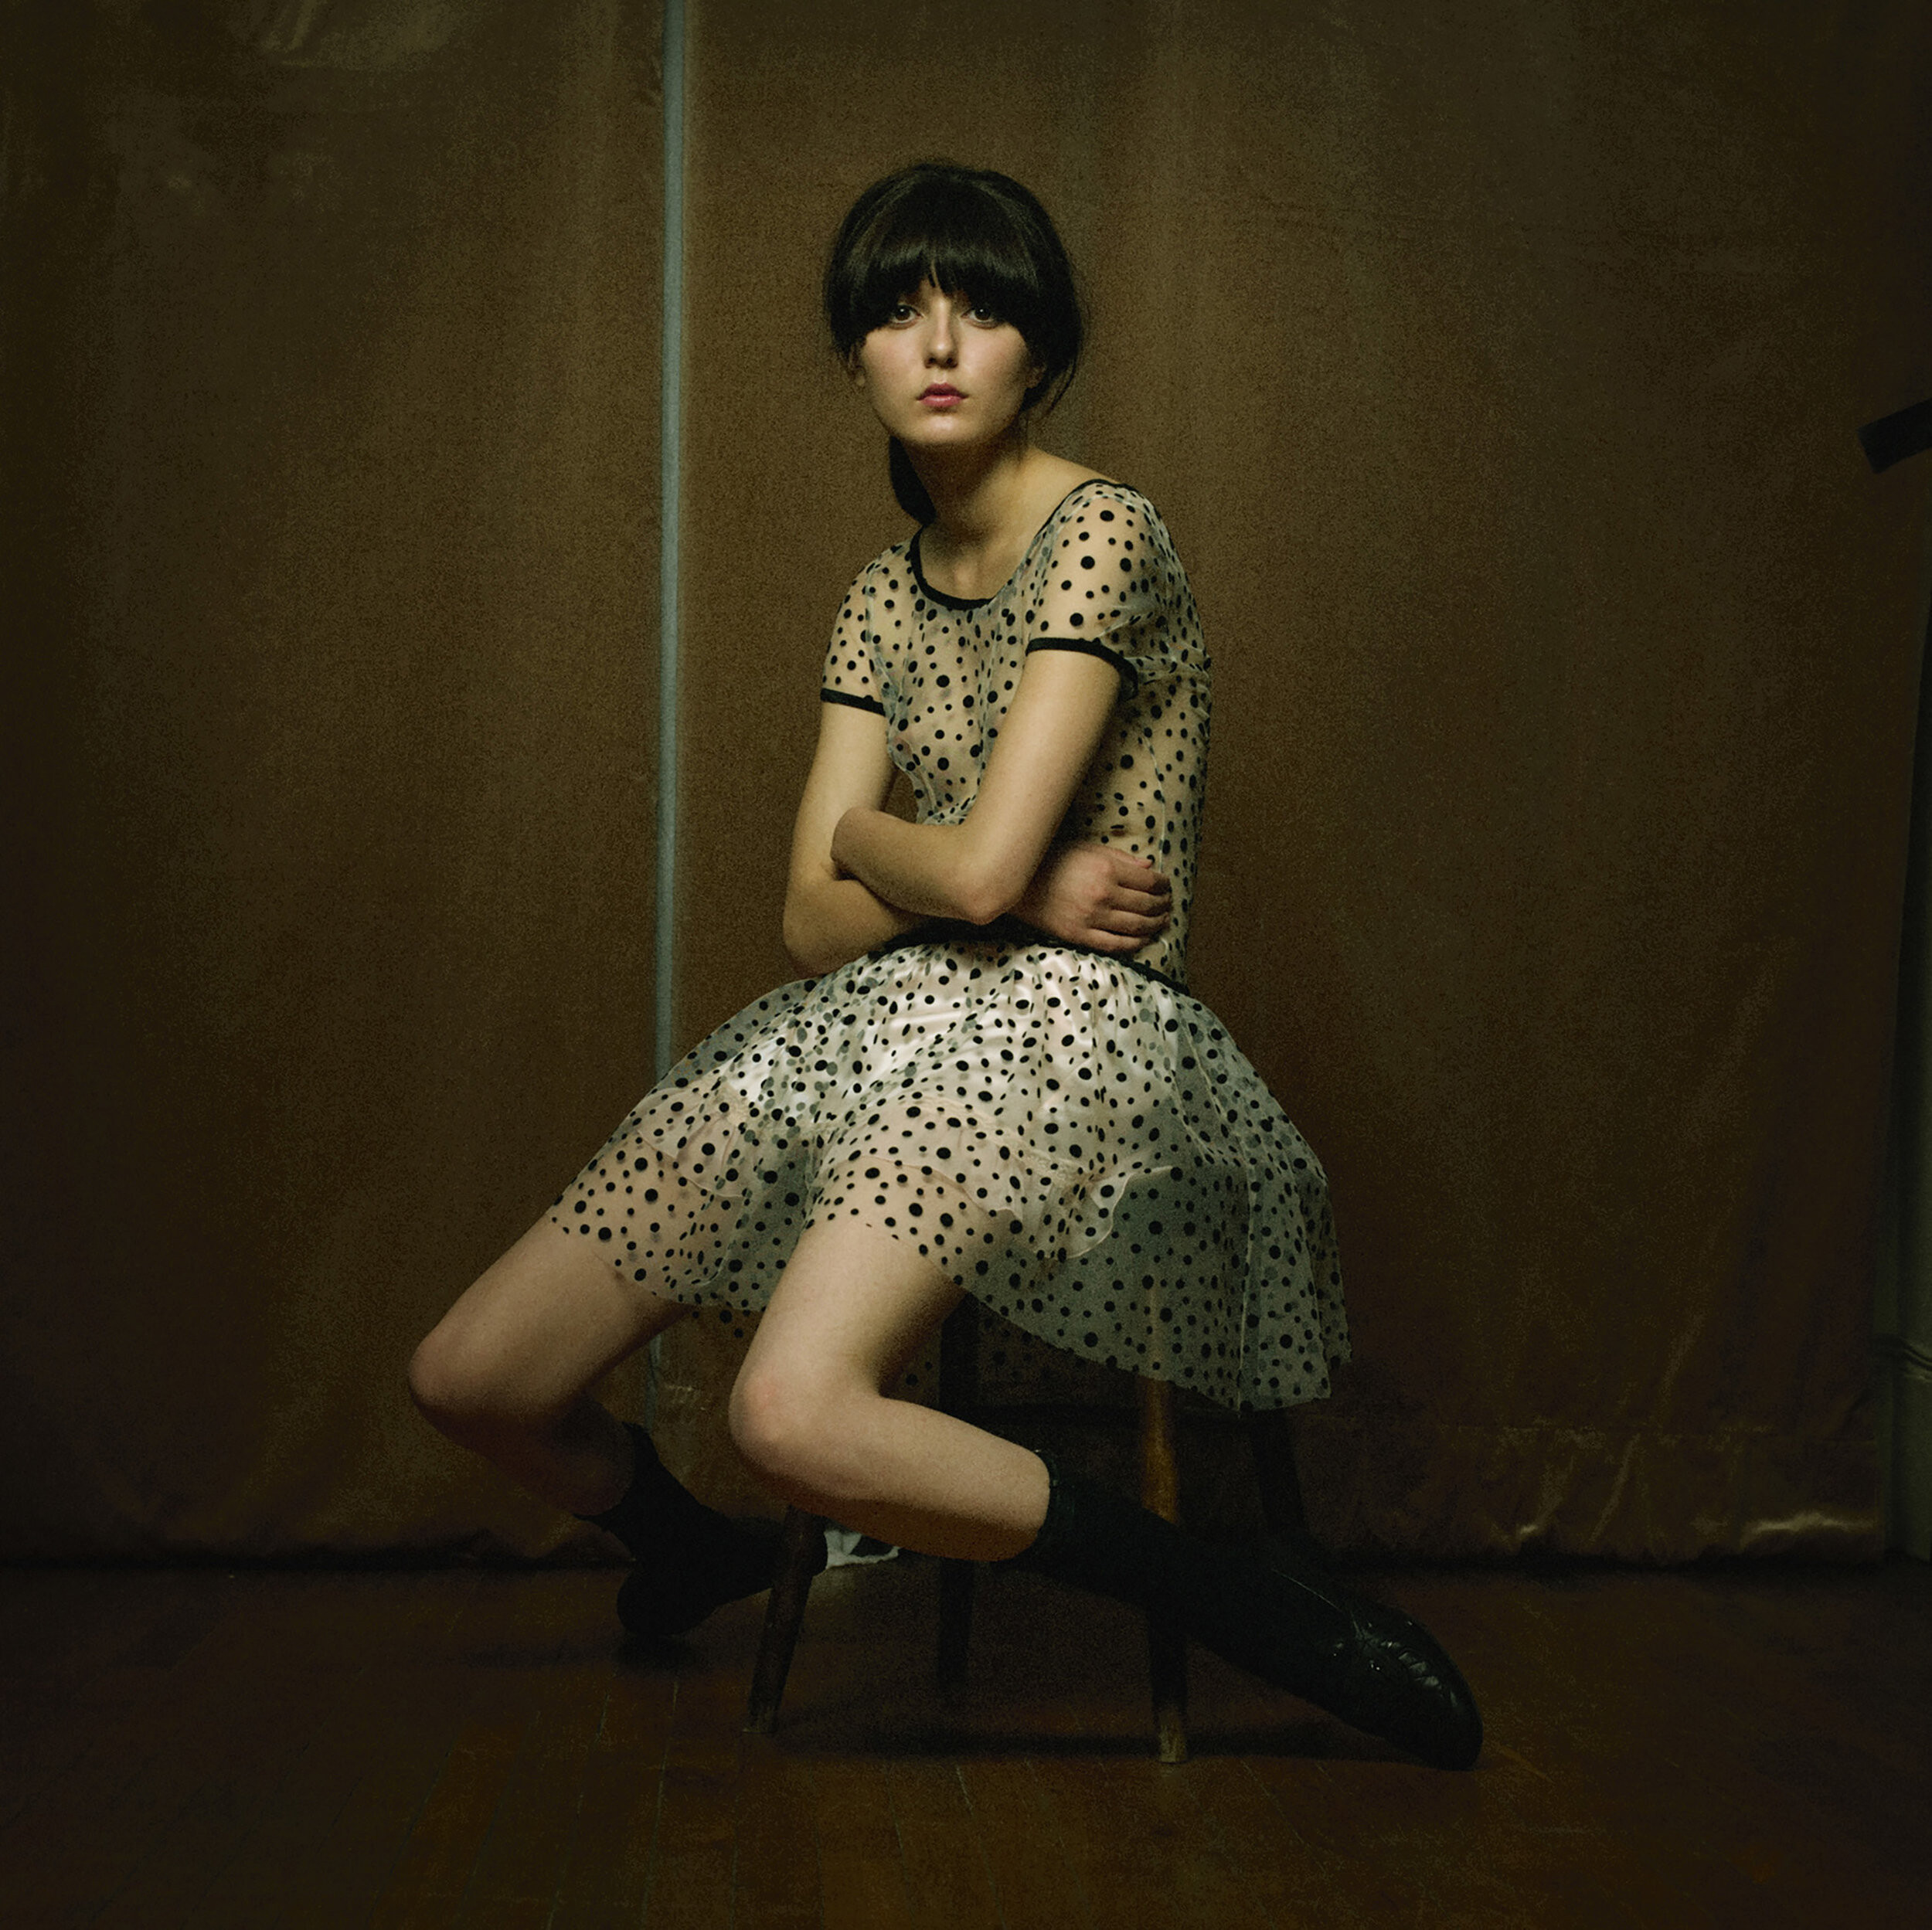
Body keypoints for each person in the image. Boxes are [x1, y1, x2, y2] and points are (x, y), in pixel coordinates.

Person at [408, 161, 1481, 1770]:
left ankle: (1244, 1602)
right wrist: (979, 873)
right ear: (852, 351)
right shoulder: (876, 596)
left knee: (789, 1411)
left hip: (1072, 1028)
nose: (936, 342)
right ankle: (683, 1544)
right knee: (473, 1374)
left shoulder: (1103, 532)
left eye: (979, 308)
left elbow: (942, 870)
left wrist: (889, 846)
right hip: (867, 1022)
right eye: (898, 310)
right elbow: (813, 920)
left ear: (1039, 353)